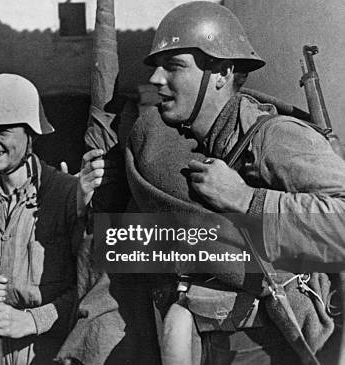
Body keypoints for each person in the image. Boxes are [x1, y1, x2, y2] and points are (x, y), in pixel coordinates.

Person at [77, 2, 343, 364]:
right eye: (156, 67)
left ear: (221, 73)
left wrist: (247, 198)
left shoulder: (272, 137)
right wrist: (101, 194)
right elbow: (138, 248)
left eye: (174, 67)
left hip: (271, 345)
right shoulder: (175, 142)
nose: (156, 80)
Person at [0, 73, 93, 365]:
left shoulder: (68, 196)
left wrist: (32, 320)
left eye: (2, 131)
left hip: (56, 355)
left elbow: (91, 290)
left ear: (31, 133)